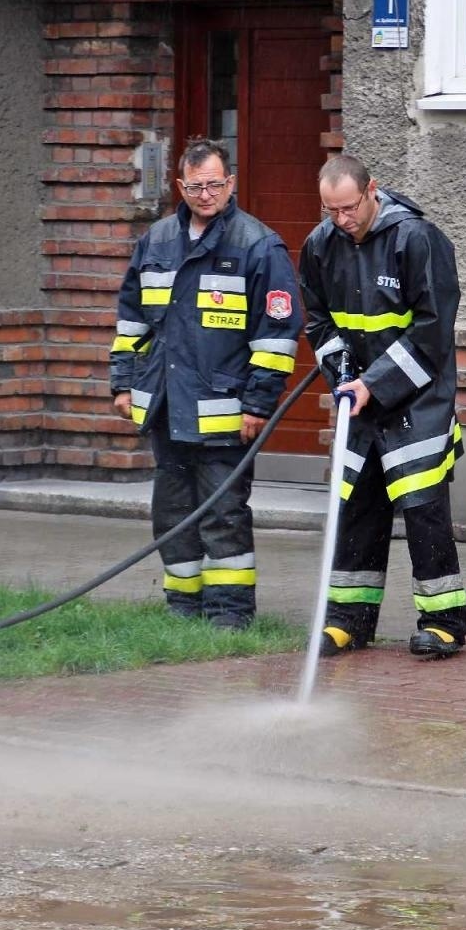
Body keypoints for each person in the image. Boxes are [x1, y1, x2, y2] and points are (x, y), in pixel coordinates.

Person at [109, 139, 302, 629]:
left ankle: (229, 617)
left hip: (226, 412)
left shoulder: (257, 245)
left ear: (230, 183)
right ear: (181, 186)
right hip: (165, 408)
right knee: (172, 514)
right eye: (195, 186)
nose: (205, 194)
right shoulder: (154, 242)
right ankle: (182, 612)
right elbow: (132, 323)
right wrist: (122, 384)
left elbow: (277, 336)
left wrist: (258, 404)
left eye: (215, 184)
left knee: (223, 515)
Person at [298, 153, 466, 659]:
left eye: (349, 208)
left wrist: (375, 383)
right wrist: (344, 377)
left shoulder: (416, 239)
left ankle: (443, 623)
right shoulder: (319, 246)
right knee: (357, 507)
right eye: (330, 211)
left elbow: (433, 330)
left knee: (422, 509)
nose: (341, 220)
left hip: (418, 401)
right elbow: (319, 323)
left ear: (372, 190)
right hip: (362, 402)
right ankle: (349, 621)